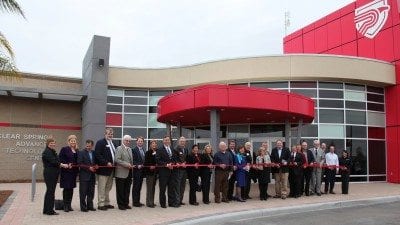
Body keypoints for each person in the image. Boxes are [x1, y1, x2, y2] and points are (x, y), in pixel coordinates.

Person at [42, 138, 69, 215]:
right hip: (50, 173)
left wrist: (62, 164)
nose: (53, 144)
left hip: (53, 173)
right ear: (47, 143)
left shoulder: (52, 151)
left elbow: (57, 160)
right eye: (51, 143)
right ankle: (50, 211)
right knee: (50, 191)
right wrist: (63, 165)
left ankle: (46, 210)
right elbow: (54, 161)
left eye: (53, 143)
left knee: (49, 191)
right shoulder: (47, 152)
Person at [94, 127, 116, 210]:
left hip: (111, 170)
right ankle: (101, 204)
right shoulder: (100, 142)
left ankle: (106, 203)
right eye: (108, 133)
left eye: (111, 134)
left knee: (108, 187)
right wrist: (106, 162)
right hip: (103, 169)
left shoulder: (113, 143)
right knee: (102, 187)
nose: (110, 135)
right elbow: (98, 155)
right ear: (105, 134)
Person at [59, 134, 79, 212]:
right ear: (69, 141)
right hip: (66, 173)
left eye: (74, 141)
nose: (73, 142)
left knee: (71, 189)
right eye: (71, 141)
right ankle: (65, 206)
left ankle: (69, 205)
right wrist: (67, 164)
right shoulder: (64, 149)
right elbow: (60, 159)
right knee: (66, 189)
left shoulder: (77, 150)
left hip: (73, 173)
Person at [155, 136, 176, 208]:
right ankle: (163, 204)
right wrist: (166, 165)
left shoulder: (172, 149)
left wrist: (173, 164)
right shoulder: (160, 150)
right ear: (163, 141)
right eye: (166, 140)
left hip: (171, 172)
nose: (167, 141)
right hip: (163, 172)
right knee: (163, 189)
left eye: (168, 140)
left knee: (171, 188)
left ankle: (171, 203)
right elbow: (158, 160)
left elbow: (174, 158)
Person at [115, 135, 134, 210]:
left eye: (129, 141)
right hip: (121, 173)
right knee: (120, 190)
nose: (128, 142)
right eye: (127, 140)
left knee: (127, 189)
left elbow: (131, 160)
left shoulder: (129, 149)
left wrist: (131, 165)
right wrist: (126, 165)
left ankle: (126, 203)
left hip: (129, 172)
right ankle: (121, 205)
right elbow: (117, 159)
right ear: (123, 140)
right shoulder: (119, 148)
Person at [77, 139, 97, 212]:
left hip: (92, 176)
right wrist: (89, 168)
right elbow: (79, 163)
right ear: (86, 145)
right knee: (83, 192)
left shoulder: (94, 153)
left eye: (90, 146)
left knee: (91, 192)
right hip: (84, 176)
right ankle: (83, 207)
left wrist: (96, 166)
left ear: (92, 146)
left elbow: (95, 162)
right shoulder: (81, 153)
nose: (88, 147)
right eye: (87, 145)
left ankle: (90, 206)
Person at [173, 136, 189, 205]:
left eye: (184, 141)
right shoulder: (176, 149)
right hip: (178, 170)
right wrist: (180, 163)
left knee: (183, 186)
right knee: (177, 186)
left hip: (184, 170)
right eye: (181, 141)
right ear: (179, 142)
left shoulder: (186, 149)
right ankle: (176, 201)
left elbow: (187, 158)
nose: (182, 142)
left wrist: (185, 163)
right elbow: (175, 159)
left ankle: (180, 200)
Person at [131, 136, 146, 207]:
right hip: (137, 171)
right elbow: (133, 160)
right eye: (139, 141)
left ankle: (138, 201)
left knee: (139, 187)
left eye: (141, 141)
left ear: (143, 142)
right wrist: (137, 165)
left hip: (142, 172)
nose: (140, 142)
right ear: (136, 142)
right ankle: (135, 202)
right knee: (136, 187)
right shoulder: (133, 150)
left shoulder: (143, 150)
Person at [144, 140, 158, 208]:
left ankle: (152, 201)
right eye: (153, 144)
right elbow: (145, 163)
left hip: (155, 173)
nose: (154, 145)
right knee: (149, 188)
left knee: (153, 188)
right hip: (149, 173)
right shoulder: (148, 152)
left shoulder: (157, 152)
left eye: (155, 144)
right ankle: (149, 203)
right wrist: (150, 166)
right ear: (150, 145)